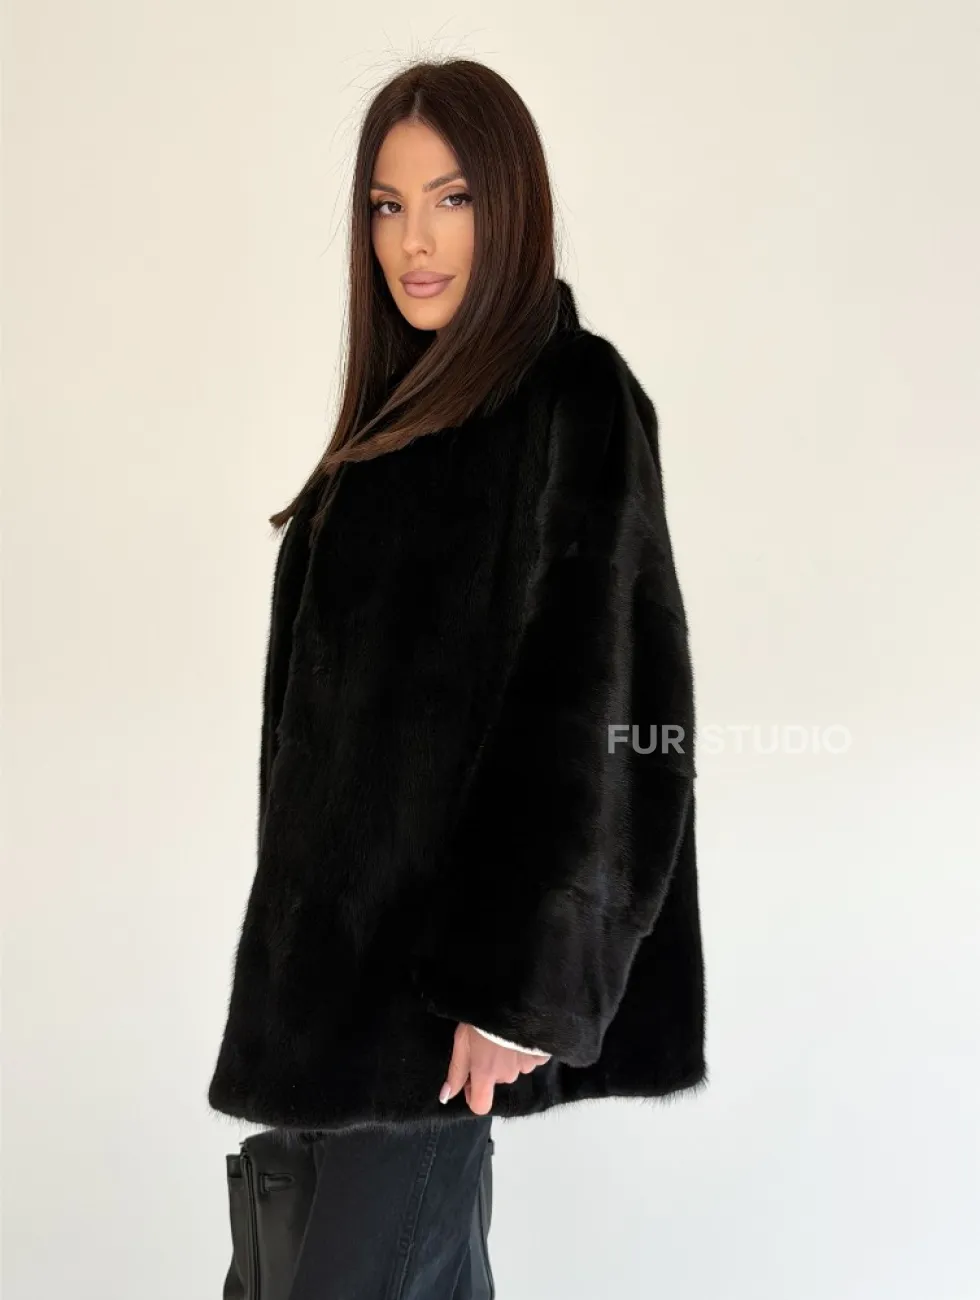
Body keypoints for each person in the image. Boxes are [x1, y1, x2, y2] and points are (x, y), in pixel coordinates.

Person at [207, 56, 707, 1300]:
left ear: (511, 203)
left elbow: (607, 712)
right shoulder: (391, 427)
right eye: (387, 205)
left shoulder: (572, 398)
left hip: (437, 1013)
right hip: (340, 1011)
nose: (413, 241)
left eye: (451, 199)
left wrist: (514, 989)